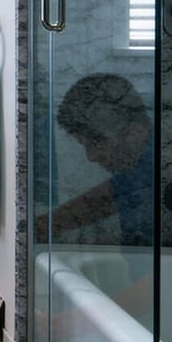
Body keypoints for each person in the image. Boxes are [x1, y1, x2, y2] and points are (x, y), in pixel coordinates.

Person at [50, 73, 154, 248]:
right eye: (85, 145)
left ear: (135, 132)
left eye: (95, 144)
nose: (91, 157)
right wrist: (45, 225)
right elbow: (110, 196)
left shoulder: (165, 166)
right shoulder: (136, 164)